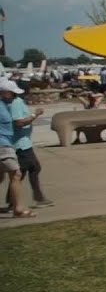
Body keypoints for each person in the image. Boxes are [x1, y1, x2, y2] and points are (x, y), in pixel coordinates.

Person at [2, 79, 52, 207]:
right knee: (24, 171)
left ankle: (17, 200)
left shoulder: (13, 102)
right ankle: (23, 200)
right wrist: (35, 114)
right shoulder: (16, 103)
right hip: (20, 143)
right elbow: (19, 122)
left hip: (22, 142)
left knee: (27, 170)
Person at [0, 80, 33, 218]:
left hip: (7, 143)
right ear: (4, 93)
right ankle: (18, 209)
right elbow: (18, 123)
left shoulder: (6, 105)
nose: (15, 96)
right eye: (12, 93)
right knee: (16, 174)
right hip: (3, 145)